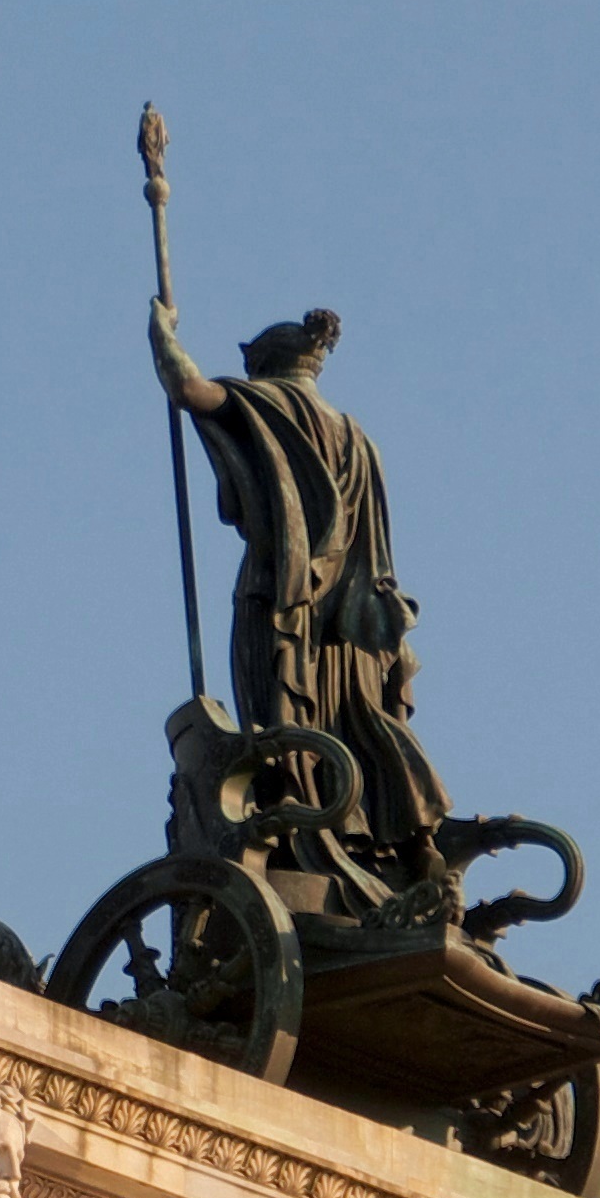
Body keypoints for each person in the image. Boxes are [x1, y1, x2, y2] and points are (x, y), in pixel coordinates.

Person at [147, 300, 448, 876]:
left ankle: (292, 829)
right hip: (355, 623)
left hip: (281, 602)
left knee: (280, 729)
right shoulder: (358, 438)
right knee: (358, 723)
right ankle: (412, 840)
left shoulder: (264, 400)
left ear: (262, 365)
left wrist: (160, 332)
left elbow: (188, 388)